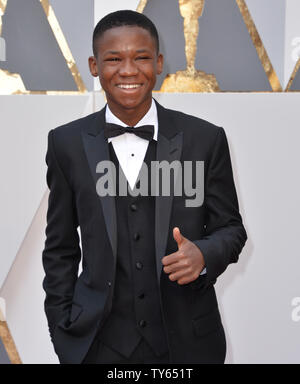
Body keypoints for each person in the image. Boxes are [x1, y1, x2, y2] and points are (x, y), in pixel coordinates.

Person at [42, 10, 247, 364]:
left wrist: (203, 254)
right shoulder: (66, 143)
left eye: (140, 58)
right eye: (113, 59)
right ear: (94, 65)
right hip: (96, 345)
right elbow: (59, 248)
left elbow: (231, 229)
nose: (128, 70)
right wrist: (62, 331)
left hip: (187, 343)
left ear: (159, 62)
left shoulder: (204, 139)